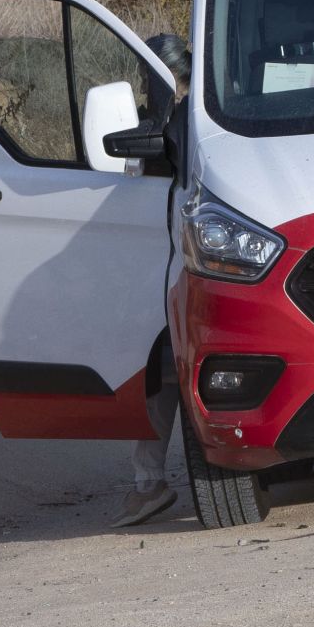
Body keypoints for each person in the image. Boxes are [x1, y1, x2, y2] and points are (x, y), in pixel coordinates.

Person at [112, 33, 189, 529]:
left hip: (186, 260)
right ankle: (148, 482)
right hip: (160, 262)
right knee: (161, 371)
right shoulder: (157, 123)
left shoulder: (193, 118)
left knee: (166, 371)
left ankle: (149, 482)